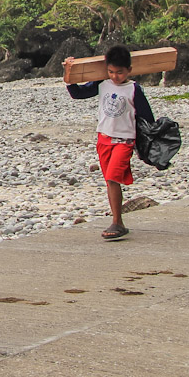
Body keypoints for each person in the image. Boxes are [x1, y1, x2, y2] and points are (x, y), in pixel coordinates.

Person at [63, 45, 155, 241]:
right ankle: (118, 221)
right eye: (111, 72)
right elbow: (78, 93)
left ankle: (117, 222)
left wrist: (149, 143)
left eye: (119, 72)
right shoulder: (102, 84)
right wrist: (68, 73)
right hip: (103, 139)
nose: (115, 76)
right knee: (109, 180)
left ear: (129, 70)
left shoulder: (134, 89)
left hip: (124, 141)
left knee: (113, 178)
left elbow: (147, 118)